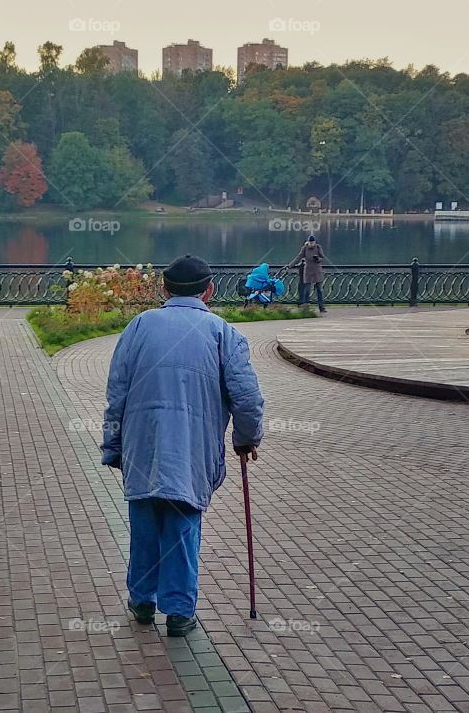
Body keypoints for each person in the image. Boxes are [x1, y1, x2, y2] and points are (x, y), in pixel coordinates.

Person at [100, 254, 265, 637]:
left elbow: (116, 392)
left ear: (163, 289)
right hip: (192, 449)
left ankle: (141, 601)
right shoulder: (223, 332)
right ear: (210, 290)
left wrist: (113, 445)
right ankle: (178, 611)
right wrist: (246, 439)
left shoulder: (139, 326)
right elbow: (247, 397)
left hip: (141, 446)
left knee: (144, 524)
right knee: (182, 525)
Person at [290, 234, 327, 312]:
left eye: (313, 243)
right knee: (307, 290)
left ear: (315, 242)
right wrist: (291, 265)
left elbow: (322, 258)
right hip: (308, 271)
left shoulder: (318, 247)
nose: (311, 244)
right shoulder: (304, 248)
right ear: (308, 242)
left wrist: (317, 259)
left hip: (317, 270)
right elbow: (298, 257)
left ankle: (321, 307)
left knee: (319, 290)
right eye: (310, 243)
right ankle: (306, 307)